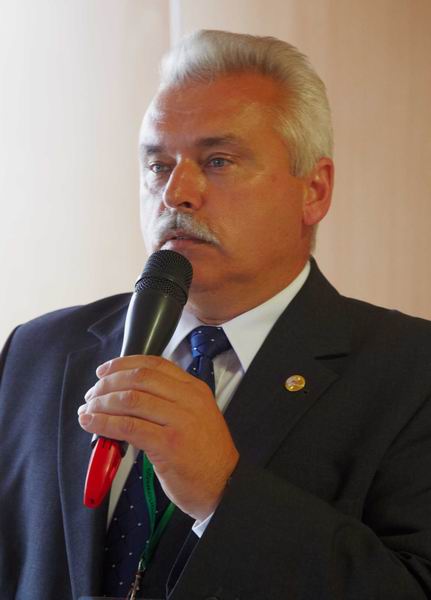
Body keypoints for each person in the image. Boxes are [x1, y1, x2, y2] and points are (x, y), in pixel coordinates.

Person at [1, 29, 430, 600]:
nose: (176, 192)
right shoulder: (37, 352)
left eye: (218, 161)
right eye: (158, 165)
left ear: (314, 190)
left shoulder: (412, 373)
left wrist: (224, 493)